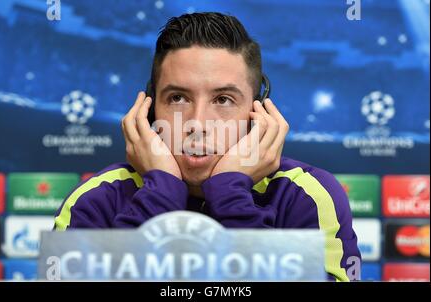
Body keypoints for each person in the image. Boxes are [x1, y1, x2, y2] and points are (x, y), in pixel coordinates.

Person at [54, 12, 360, 281]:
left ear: (258, 115)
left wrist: (230, 193)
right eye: (178, 98)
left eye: (223, 100)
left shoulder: (307, 196)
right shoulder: (94, 199)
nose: (198, 123)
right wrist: (160, 192)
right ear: (150, 111)